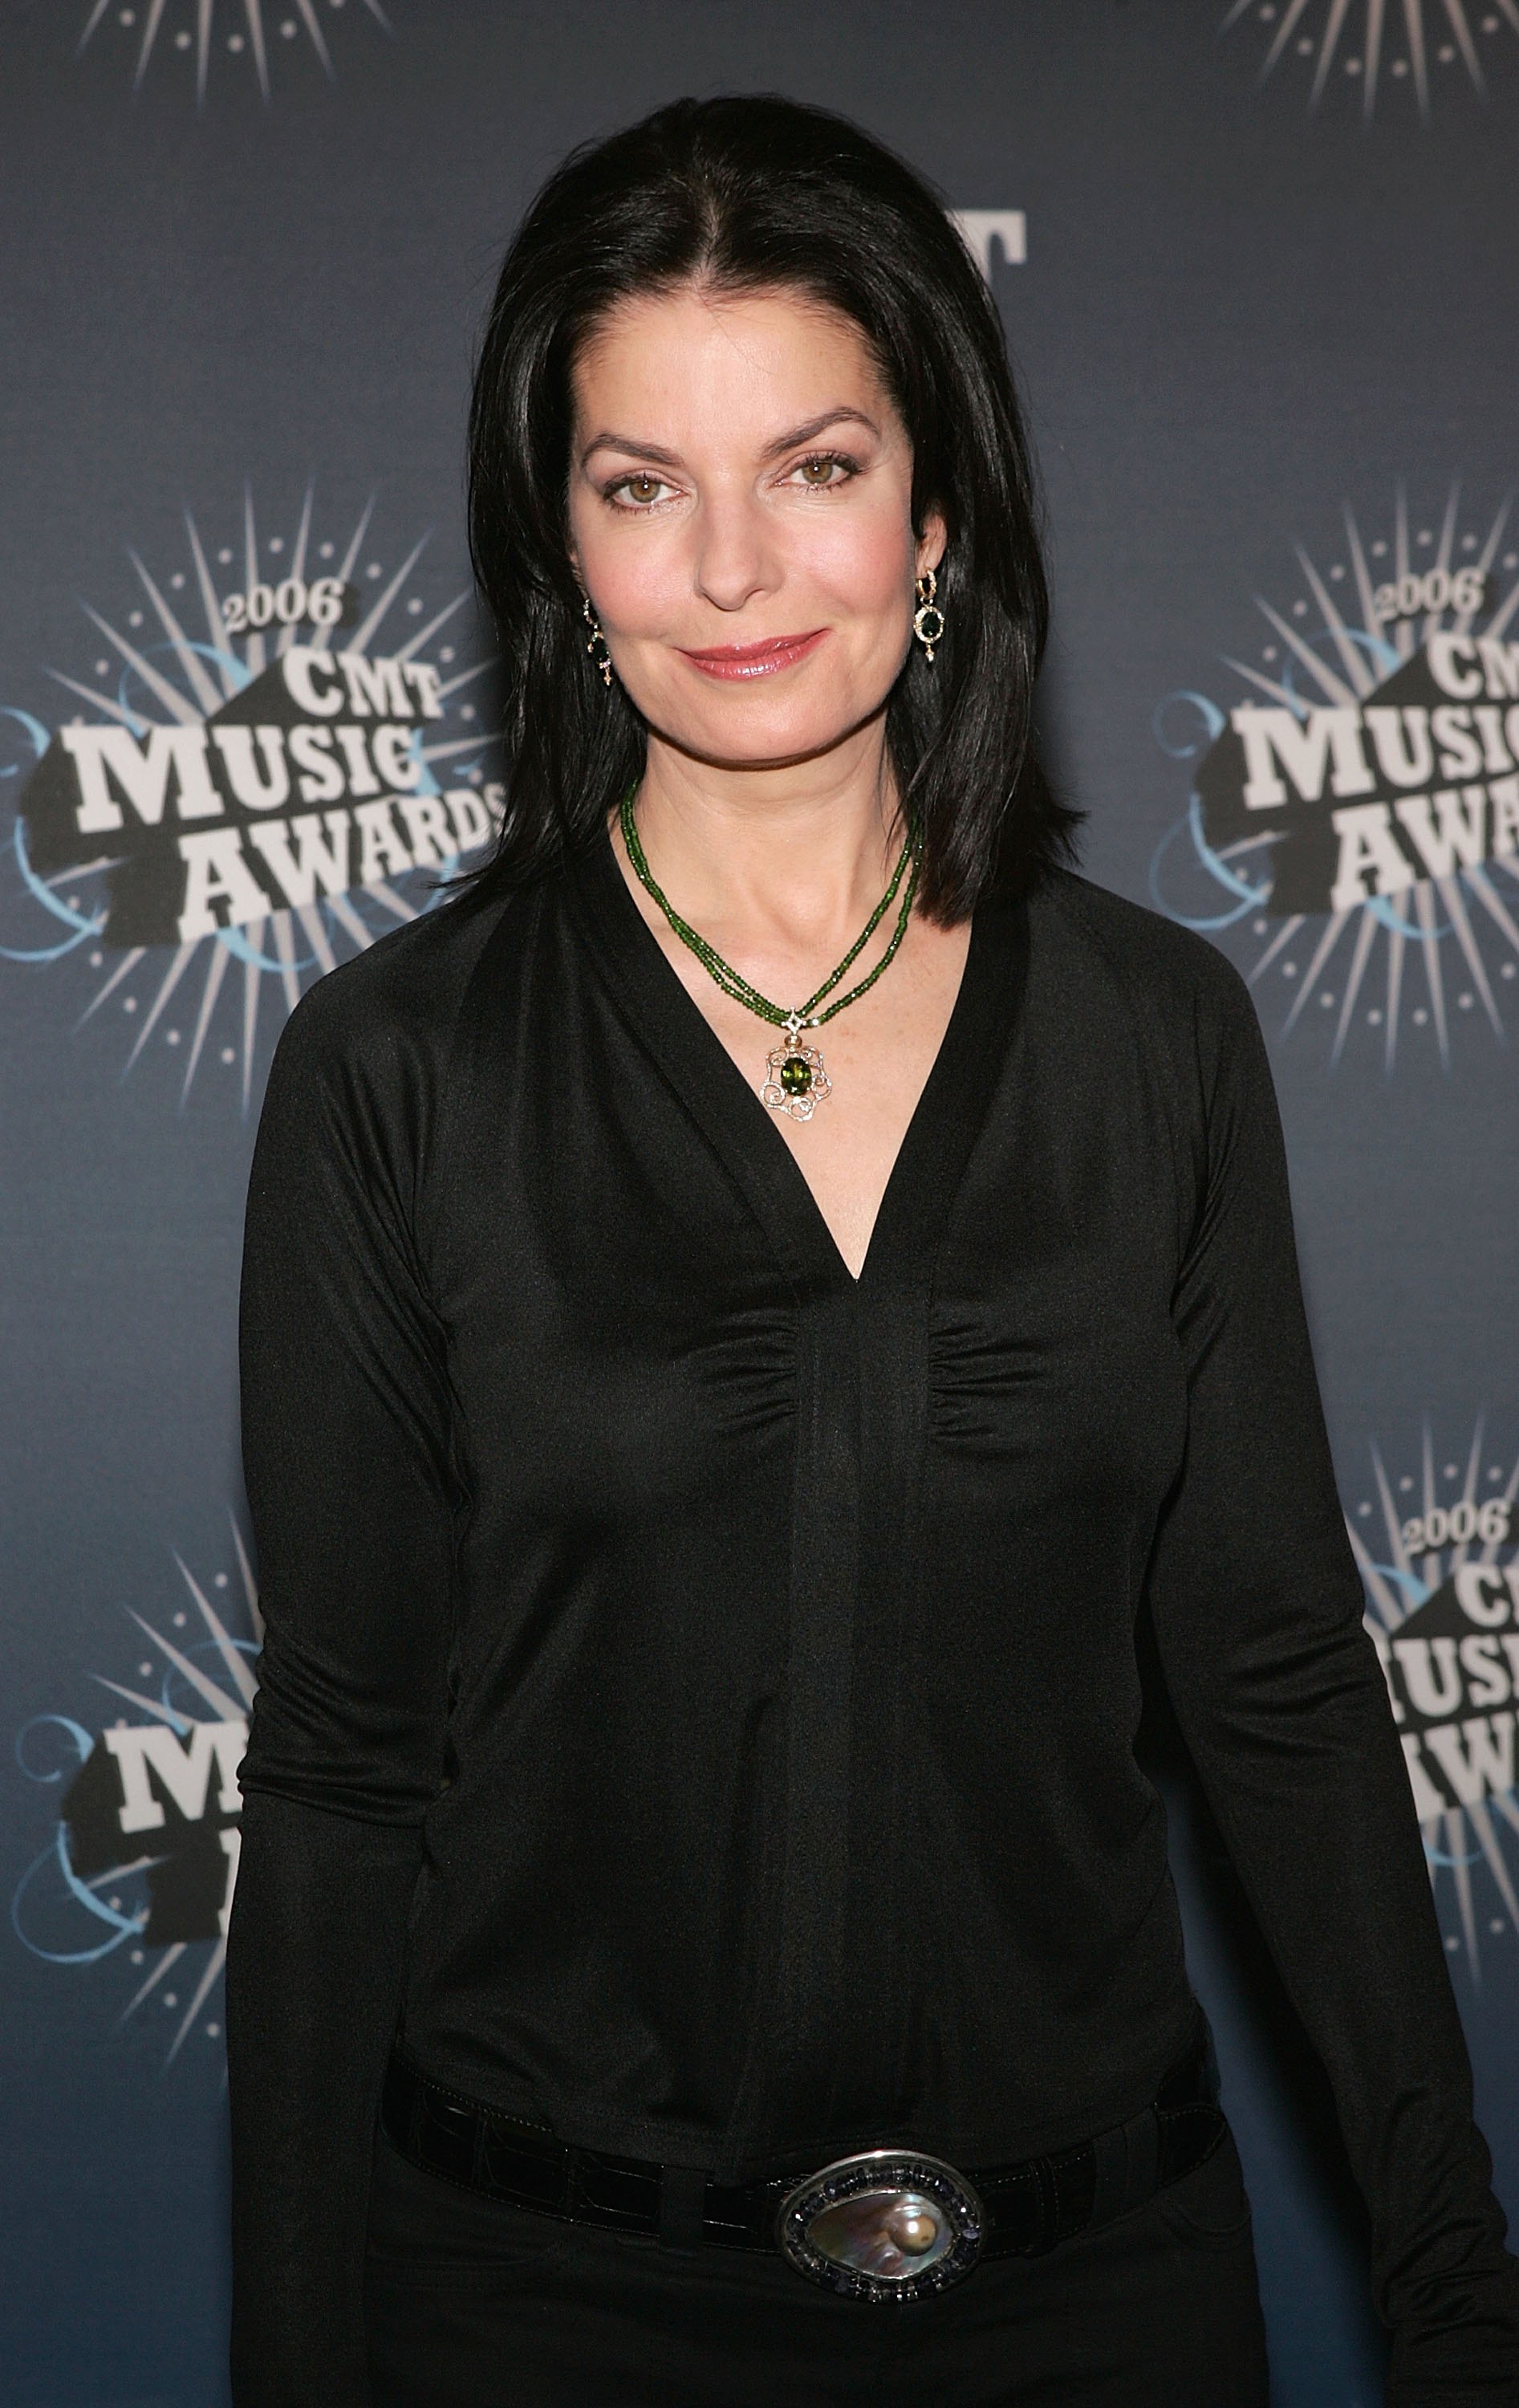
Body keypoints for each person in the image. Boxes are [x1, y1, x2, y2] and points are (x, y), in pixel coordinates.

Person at [226, 94, 1519, 2408]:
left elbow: (1281, 1688)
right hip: (542, 2315)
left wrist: (1454, 2295)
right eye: (644, 486)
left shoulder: (1157, 1036)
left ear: (937, 511)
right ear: (560, 546)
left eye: (812, 467)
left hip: (1101, 2303)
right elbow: (341, 1777)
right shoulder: (395, 1067)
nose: (733, 571)